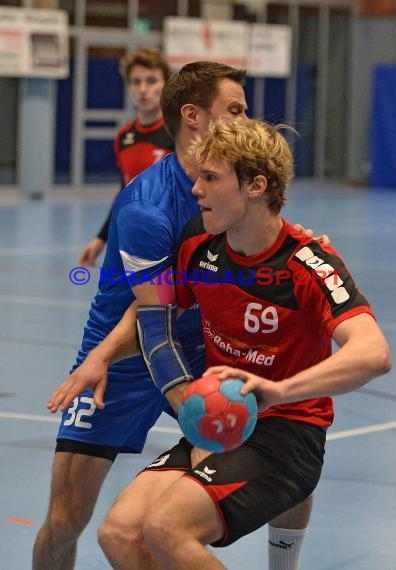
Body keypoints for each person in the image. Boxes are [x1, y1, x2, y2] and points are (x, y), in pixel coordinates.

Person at [41, 63, 322, 570]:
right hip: (125, 359)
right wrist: (183, 404)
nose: (247, 119)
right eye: (234, 109)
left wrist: (302, 249)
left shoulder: (231, 188)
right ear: (194, 117)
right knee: (66, 518)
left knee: (283, 440)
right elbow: (154, 315)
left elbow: (267, 236)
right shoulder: (149, 208)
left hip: (200, 350)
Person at [87, 118, 391, 569]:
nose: (196, 190)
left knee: (167, 527)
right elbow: (154, 312)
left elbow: (374, 353)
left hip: (285, 435)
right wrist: (102, 355)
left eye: (211, 178)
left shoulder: (308, 263)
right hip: (217, 424)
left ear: (256, 185)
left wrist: (279, 390)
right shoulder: (199, 247)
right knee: (119, 533)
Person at [78, 47, 173, 267]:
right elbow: (125, 192)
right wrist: (101, 239)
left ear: (166, 85)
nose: (143, 89)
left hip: (169, 245)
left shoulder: (177, 134)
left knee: (149, 303)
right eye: (135, 82)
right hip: (132, 242)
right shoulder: (124, 137)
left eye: (151, 81)